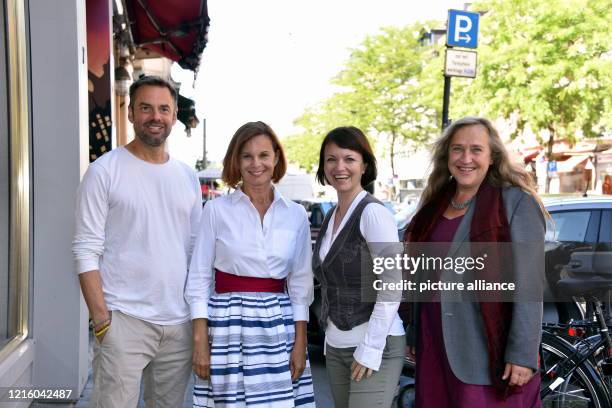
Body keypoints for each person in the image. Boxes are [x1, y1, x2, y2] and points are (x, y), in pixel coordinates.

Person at [72, 76, 202, 407]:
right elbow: (86, 249)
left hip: (178, 324)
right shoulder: (104, 171)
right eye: (146, 108)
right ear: (130, 113)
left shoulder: (187, 177)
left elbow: (194, 251)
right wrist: (102, 321)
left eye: (163, 109)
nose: (155, 116)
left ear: (173, 115)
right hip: (123, 321)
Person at [404, 117, 547, 407]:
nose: (465, 158)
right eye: (457, 149)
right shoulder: (435, 205)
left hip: (484, 351)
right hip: (434, 345)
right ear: (447, 156)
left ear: (492, 156)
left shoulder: (514, 202)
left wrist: (522, 353)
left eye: (476, 149)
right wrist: (414, 333)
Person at [186, 121, 316, 407]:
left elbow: (300, 283)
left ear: (276, 158)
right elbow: (198, 278)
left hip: (279, 327)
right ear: (237, 160)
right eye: (247, 156)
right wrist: (199, 340)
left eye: (264, 155)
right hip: (227, 327)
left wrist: (300, 343)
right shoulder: (216, 210)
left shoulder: (295, 215)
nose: (256, 163)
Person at [312, 126, 405, 408]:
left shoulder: (374, 214)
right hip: (337, 345)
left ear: (364, 164)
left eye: (349, 158)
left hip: (376, 344)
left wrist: (371, 347)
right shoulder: (331, 216)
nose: (339, 167)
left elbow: (392, 284)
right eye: (331, 159)